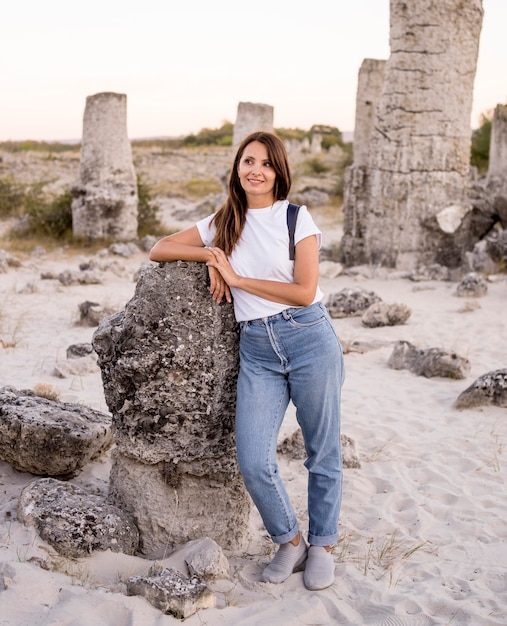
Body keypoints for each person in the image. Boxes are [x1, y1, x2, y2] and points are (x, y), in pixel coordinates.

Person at [149, 130, 344, 591]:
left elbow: (301, 290)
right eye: (247, 161)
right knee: (253, 457)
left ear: (279, 171)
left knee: (323, 451)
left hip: (309, 336)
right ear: (237, 168)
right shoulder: (225, 220)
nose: (255, 170)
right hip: (256, 347)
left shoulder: (298, 218)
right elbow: (159, 247)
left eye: (265, 163)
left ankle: (323, 545)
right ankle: (290, 540)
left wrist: (237, 277)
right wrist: (212, 256)